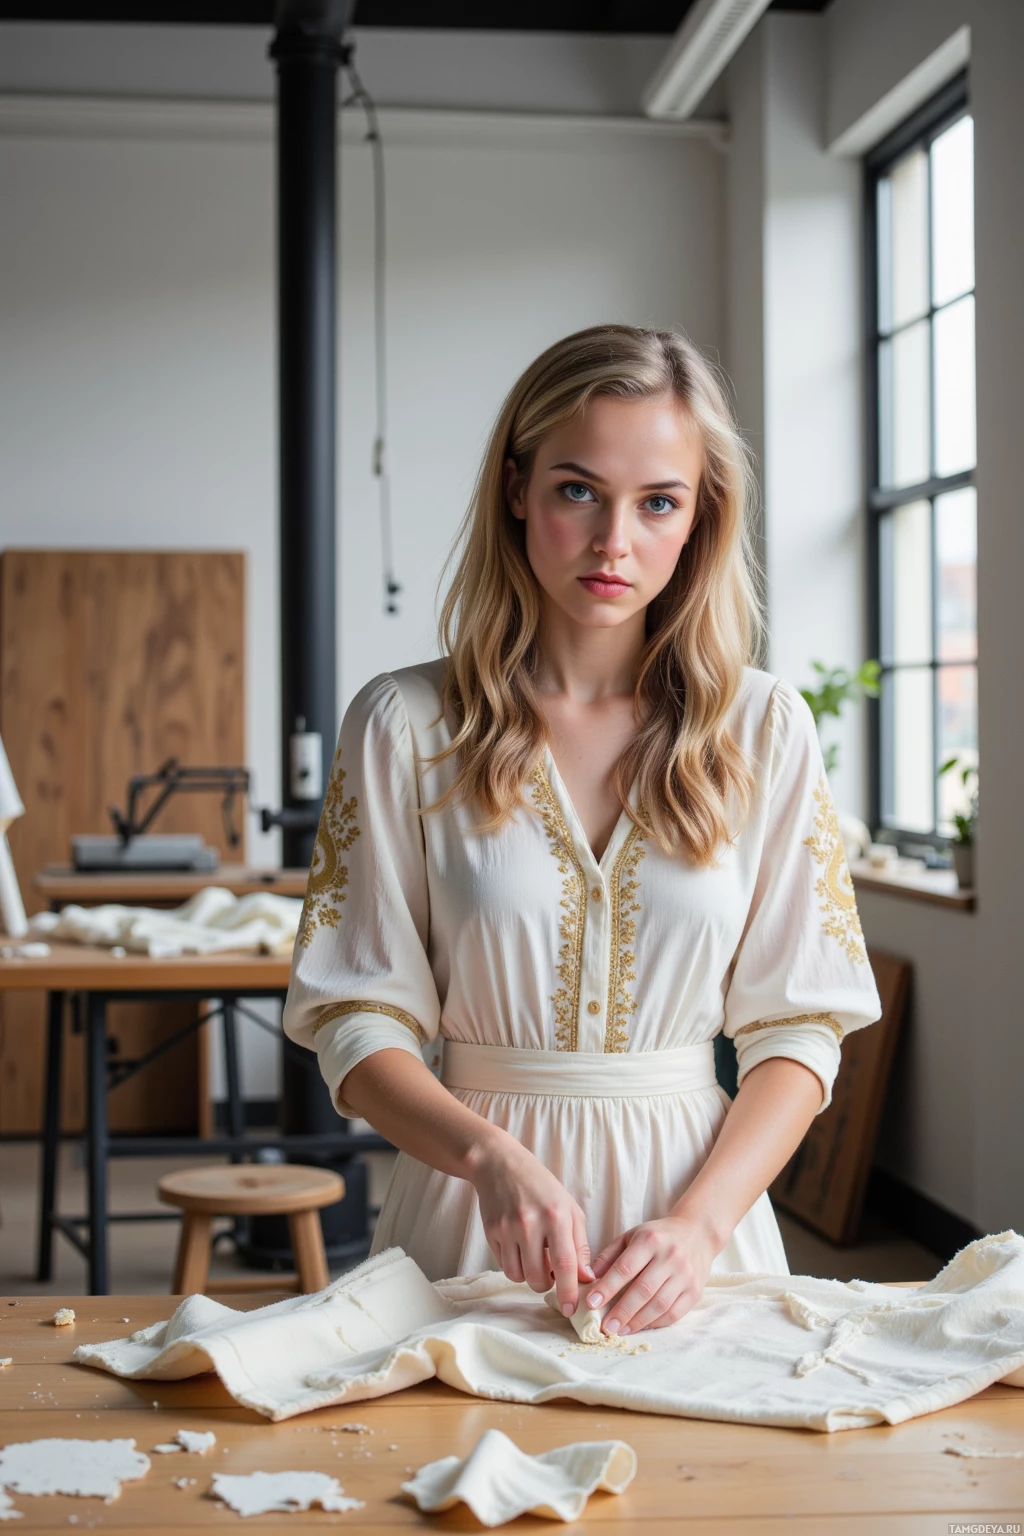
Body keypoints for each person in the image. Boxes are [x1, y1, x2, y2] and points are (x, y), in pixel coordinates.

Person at [283, 323, 882, 1339]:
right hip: (469, 1221)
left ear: (699, 519)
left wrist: (697, 1226)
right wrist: (487, 1158)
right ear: (515, 488)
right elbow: (354, 1019)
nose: (614, 541)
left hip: (700, 1239)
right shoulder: (402, 724)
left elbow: (798, 1030)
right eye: (577, 490)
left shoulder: (763, 728)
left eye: (658, 502)